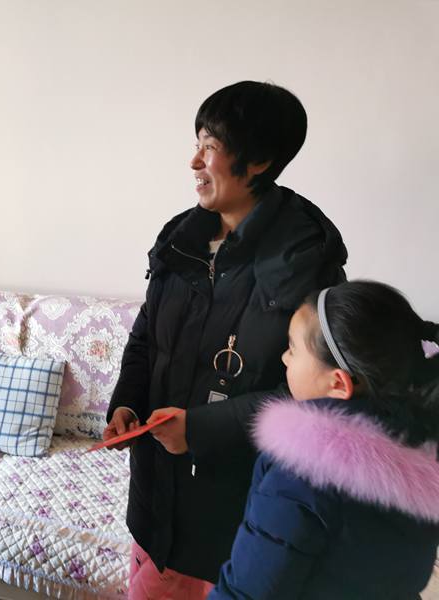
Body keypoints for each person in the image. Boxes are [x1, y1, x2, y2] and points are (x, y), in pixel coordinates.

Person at [103, 81, 348, 599]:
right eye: (196, 143)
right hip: (154, 500)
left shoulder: (306, 260)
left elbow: (315, 393)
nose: (194, 162)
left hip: (236, 514)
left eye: (210, 147)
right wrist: (126, 402)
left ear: (258, 161)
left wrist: (200, 430)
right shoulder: (181, 239)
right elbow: (146, 336)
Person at [209, 280, 439, 599]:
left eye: (293, 349)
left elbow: (248, 592)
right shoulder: (423, 454)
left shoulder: (300, 477)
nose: (284, 358)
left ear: (338, 383)